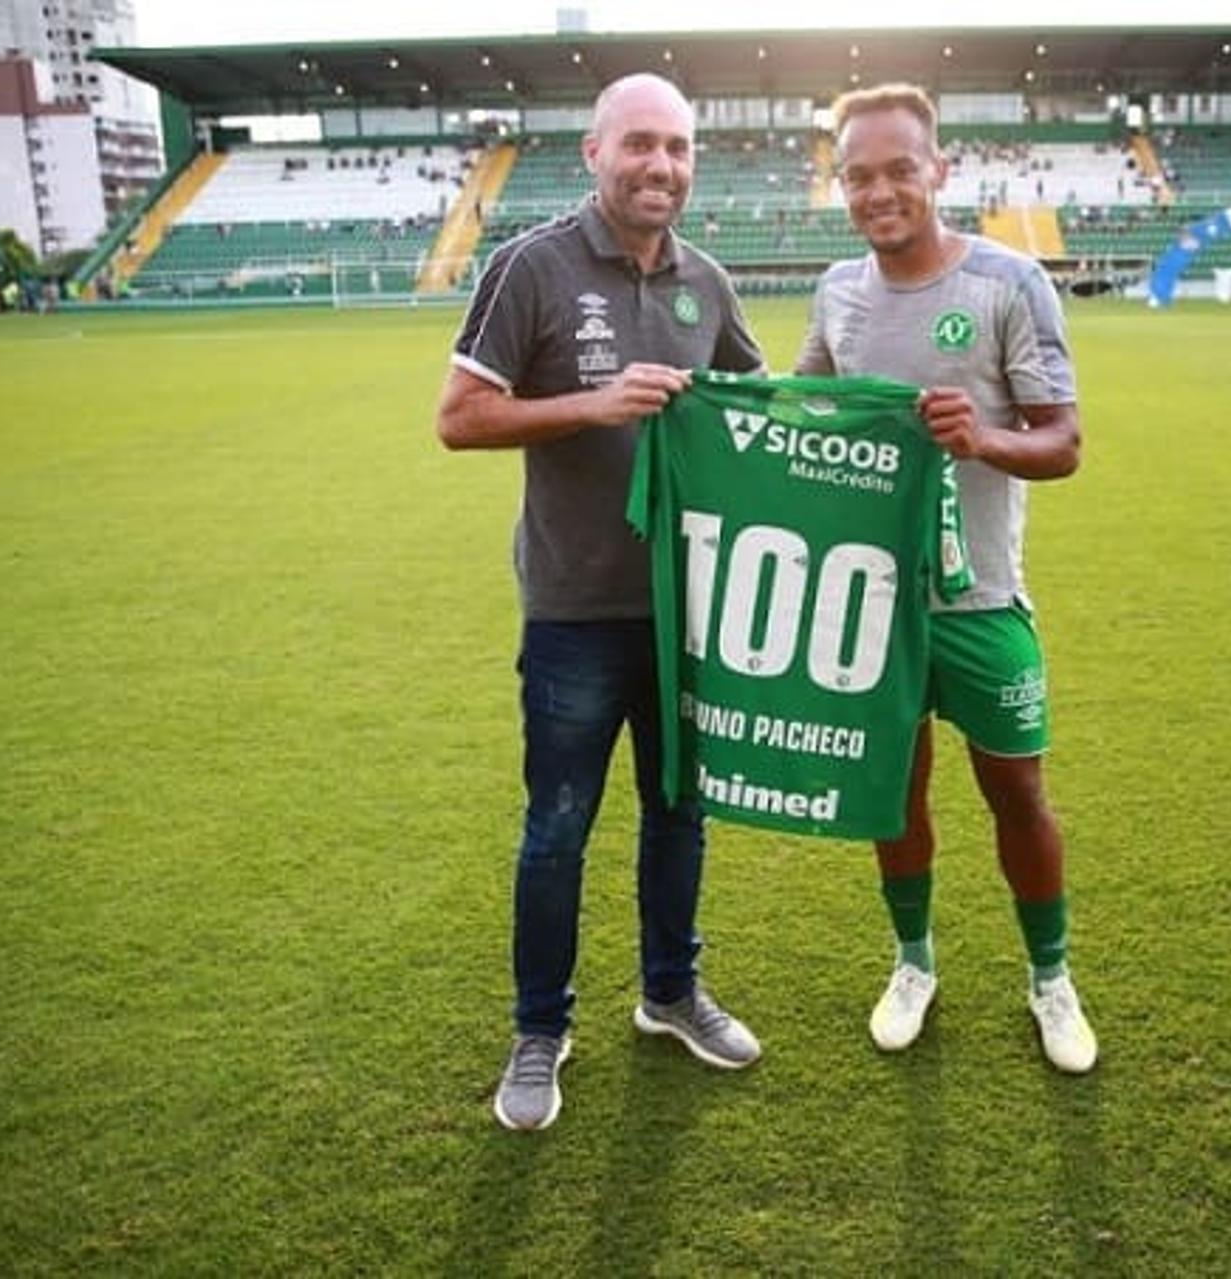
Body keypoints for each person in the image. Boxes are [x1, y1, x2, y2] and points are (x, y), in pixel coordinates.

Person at [435, 73, 767, 1133]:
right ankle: (541, 1028)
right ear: (593, 152)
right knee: (558, 827)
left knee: (680, 816)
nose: (660, 165)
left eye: (677, 147)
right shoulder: (529, 266)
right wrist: (597, 402)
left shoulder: (706, 283)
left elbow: (756, 411)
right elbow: (459, 418)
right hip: (574, 611)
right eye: (640, 145)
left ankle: (670, 993)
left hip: (686, 615)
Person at [794, 83, 1097, 1074]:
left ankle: (1050, 977)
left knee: (1019, 791)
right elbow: (806, 417)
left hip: (982, 602)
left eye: (897, 170)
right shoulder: (837, 292)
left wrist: (987, 436)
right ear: (840, 185)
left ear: (939, 171)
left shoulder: (1010, 284)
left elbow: (1064, 443)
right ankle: (913, 961)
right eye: (858, 175)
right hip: (877, 607)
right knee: (893, 795)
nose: (878, 191)